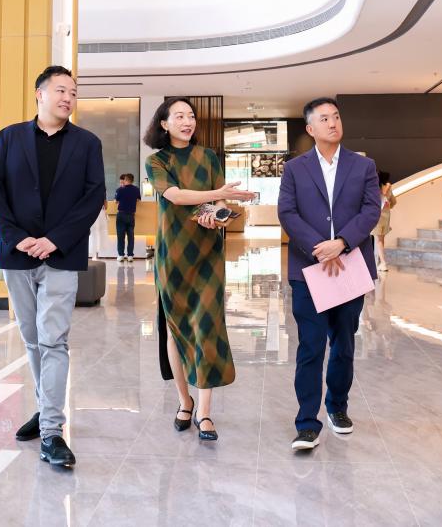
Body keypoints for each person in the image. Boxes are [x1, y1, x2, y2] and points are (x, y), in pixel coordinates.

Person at [0, 65, 105, 468]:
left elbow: (93, 197)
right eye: (61, 90)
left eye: (73, 92)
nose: (68, 98)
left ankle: (52, 431)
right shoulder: (9, 138)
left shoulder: (87, 143)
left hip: (62, 255)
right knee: (32, 338)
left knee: (53, 339)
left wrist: (55, 239)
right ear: (39, 93)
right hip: (16, 254)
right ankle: (44, 407)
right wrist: (15, 237)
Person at [145, 98, 254, 442]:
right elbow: (175, 196)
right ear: (164, 124)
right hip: (173, 253)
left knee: (207, 325)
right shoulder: (156, 161)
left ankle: (204, 412)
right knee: (176, 328)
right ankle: (184, 401)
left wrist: (219, 215)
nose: (187, 121)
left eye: (191, 116)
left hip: (207, 253)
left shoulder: (208, 157)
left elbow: (219, 204)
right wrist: (217, 193)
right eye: (179, 116)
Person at [278, 97, 381, 451]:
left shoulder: (363, 166)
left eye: (336, 116)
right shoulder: (294, 169)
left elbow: (371, 209)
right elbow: (287, 213)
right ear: (310, 128)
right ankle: (307, 422)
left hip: (350, 264)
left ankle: (337, 406)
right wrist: (319, 247)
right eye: (324, 119)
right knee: (310, 345)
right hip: (310, 268)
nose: (333, 123)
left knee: (344, 343)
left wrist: (342, 243)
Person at [371, 171, 397, 272]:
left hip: (375, 217)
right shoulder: (388, 188)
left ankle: (383, 263)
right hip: (385, 217)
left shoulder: (374, 188)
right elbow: (394, 202)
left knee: (378, 241)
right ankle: (379, 262)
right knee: (380, 240)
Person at [114, 173, 142, 262]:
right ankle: (130, 256)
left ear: (125, 180)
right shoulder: (136, 190)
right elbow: (138, 200)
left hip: (121, 215)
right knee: (131, 236)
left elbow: (116, 201)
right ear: (132, 180)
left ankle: (121, 255)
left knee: (120, 236)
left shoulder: (120, 190)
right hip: (131, 215)